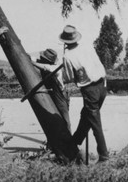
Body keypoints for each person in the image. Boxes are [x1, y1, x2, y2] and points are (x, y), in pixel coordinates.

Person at [59, 24, 109, 162]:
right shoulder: (87, 46)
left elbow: (68, 78)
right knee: (86, 115)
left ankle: (104, 155)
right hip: (103, 85)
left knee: (94, 122)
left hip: (90, 90)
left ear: (65, 41)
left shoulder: (67, 55)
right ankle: (74, 142)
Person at [33, 48, 71, 133]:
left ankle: (69, 139)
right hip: (52, 93)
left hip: (61, 95)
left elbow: (47, 68)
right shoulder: (46, 64)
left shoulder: (55, 68)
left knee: (65, 119)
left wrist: (33, 63)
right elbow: (37, 60)